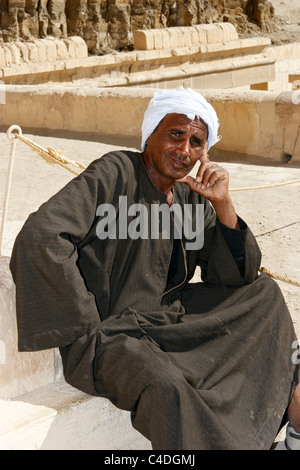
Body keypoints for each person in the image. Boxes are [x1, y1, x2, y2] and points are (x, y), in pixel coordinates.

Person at [10, 88, 300, 450]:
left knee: (265, 294)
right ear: (150, 135)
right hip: (112, 336)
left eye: (197, 141)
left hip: (166, 322)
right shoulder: (115, 172)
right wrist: (85, 324)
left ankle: (294, 435)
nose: (184, 151)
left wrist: (223, 204)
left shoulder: (191, 196)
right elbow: (44, 234)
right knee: (168, 388)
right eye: (176, 135)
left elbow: (232, 279)